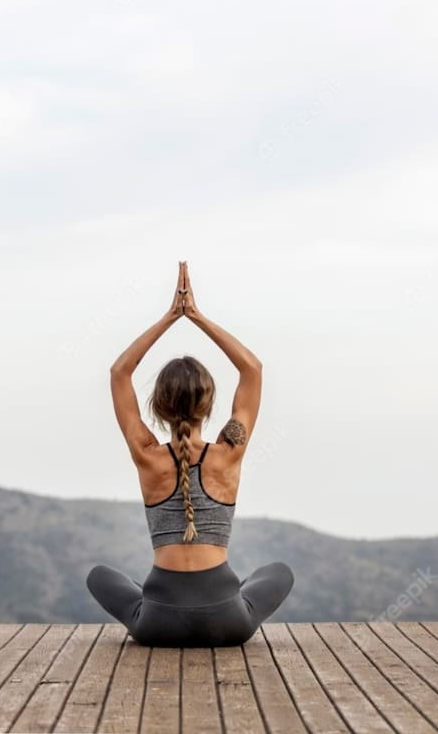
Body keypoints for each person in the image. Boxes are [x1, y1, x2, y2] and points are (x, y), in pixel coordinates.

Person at [86, 260, 294, 647]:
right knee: (278, 571)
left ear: (159, 406)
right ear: (209, 405)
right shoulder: (229, 452)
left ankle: (156, 599)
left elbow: (119, 373)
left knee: (99, 575)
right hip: (227, 622)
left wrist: (169, 317)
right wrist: (196, 316)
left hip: (157, 625)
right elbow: (252, 369)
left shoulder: (147, 454)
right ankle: (225, 595)